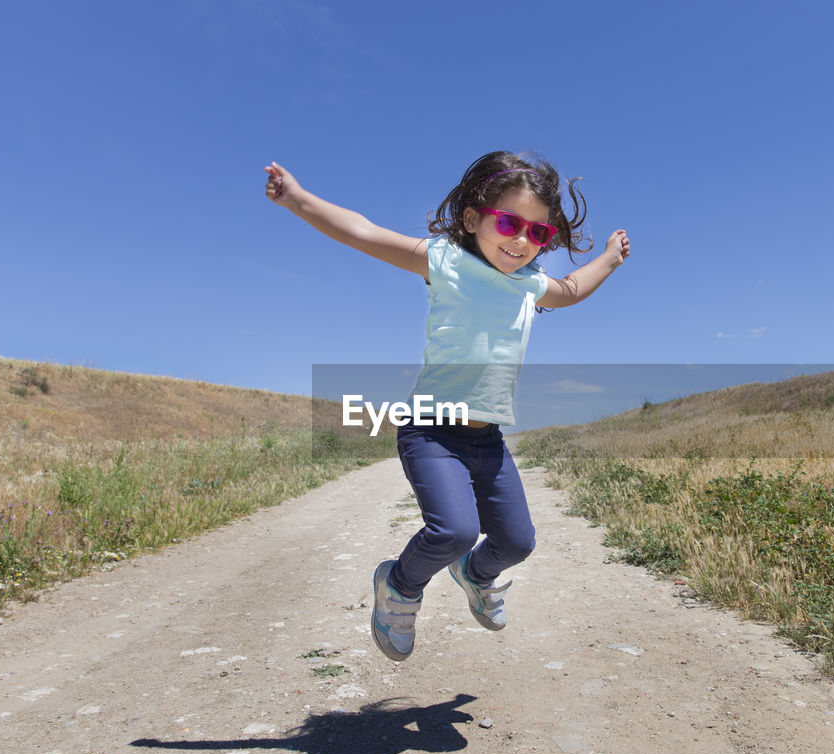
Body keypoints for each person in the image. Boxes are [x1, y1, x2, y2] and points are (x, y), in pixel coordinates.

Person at [264, 151, 630, 661]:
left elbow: (570, 291)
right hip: (431, 433)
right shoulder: (445, 261)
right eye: (509, 223)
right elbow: (363, 232)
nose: (522, 240)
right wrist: (299, 200)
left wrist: (610, 258)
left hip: (488, 439)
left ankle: (476, 576)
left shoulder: (528, 286)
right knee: (455, 530)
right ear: (473, 218)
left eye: (538, 233)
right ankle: (399, 585)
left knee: (517, 542)